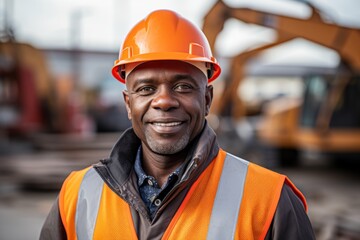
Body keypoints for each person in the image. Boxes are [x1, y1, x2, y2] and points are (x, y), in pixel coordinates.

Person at [40, 9, 315, 240]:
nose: (164, 101)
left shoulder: (271, 202)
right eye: (146, 89)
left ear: (207, 99)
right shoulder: (77, 195)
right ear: (127, 104)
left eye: (183, 86)